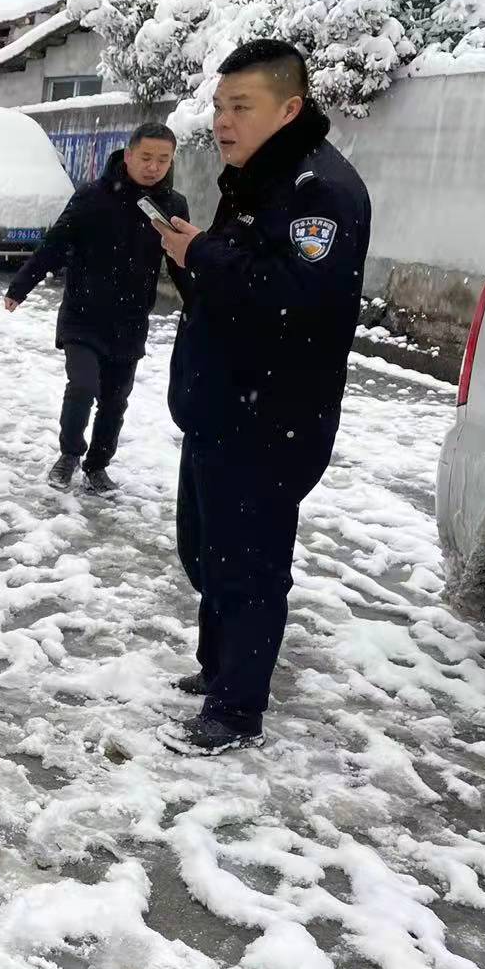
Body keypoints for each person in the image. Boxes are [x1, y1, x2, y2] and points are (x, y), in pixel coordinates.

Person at [151, 39, 371, 756]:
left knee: (247, 565)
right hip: (221, 406)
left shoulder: (320, 193)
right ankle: (218, 670)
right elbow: (233, 291)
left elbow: (294, 300)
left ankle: (237, 710)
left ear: (290, 107)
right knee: (206, 550)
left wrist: (203, 255)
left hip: (271, 418)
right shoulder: (254, 178)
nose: (223, 121)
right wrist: (192, 257)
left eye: (241, 107)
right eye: (219, 106)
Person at [4, 123, 189, 493]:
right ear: (130, 153)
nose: (154, 167)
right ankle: (69, 454)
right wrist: (20, 287)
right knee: (83, 386)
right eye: (147, 158)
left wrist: (200, 303)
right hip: (84, 315)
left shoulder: (172, 205)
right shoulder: (93, 196)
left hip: (131, 319)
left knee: (115, 400)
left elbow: (180, 262)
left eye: (163, 160)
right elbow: (55, 244)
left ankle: (97, 465)